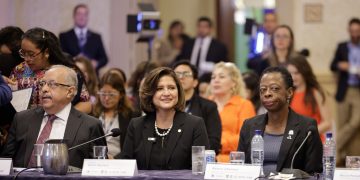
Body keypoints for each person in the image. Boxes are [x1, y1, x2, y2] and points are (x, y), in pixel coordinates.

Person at [1, 65, 106, 168]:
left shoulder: (90, 126)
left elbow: (99, 169)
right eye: (42, 84)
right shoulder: (21, 119)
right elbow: (4, 165)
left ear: (70, 91)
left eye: (52, 84)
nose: (44, 89)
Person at [119, 67, 209, 170]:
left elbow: (200, 170)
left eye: (171, 88)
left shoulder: (195, 125)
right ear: (150, 93)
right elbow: (125, 169)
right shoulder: (136, 125)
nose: (166, 93)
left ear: (178, 92)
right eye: (159, 89)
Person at [238, 66, 323, 175]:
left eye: (274, 88)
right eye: (262, 90)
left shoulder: (306, 128)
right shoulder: (249, 125)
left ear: (289, 92)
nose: (267, 93)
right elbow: (240, 168)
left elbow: (315, 173)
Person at [9, 27, 91, 113]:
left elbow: (86, 104)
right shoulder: (19, 70)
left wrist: (62, 116)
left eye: (31, 54)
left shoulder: (66, 71)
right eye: (23, 53)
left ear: (46, 52)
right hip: (25, 123)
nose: (26, 59)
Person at [210, 62, 256, 162]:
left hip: (233, 160)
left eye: (221, 77)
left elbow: (246, 137)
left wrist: (218, 145)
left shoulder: (244, 105)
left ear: (234, 83)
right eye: (213, 77)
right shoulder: (205, 105)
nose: (216, 80)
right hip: (206, 158)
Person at [172, 60, 221, 154]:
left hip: (199, 159)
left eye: (186, 74)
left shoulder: (208, 107)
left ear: (195, 82)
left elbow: (214, 141)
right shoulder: (167, 106)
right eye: (177, 74)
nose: (181, 77)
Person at [330, 18, 360, 166]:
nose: (355, 34)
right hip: (345, 89)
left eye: (357, 31)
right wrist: (340, 65)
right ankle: (346, 160)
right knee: (343, 124)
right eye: (352, 31)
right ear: (349, 31)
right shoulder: (342, 47)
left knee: (355, 122)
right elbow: (333, 65)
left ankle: (333, 146)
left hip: (358, 91)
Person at [287, 56, 332, 141]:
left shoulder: (316, 92)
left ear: (304, 72)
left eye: (296, 73)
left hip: (313, 142)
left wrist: (306, 135)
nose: (293, 77)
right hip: (293, 142)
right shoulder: (288, 93)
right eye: (290, 73)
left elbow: (327, 123)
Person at [93, 71, 135, 158]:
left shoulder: (131, 116)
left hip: (120, 164)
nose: (107, 98)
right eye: (103, 94)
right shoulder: (92, 114)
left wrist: (115, 159)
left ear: (121, 94)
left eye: (111, 94)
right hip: (96, 162)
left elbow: (133, 147)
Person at [59, 3, 108, 74]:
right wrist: (74, 60)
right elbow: (60, 57)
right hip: (71, 75)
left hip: (92, 78)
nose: (82, 17)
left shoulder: (96, 37)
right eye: (79, 14)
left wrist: (96, 63)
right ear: (74, 16)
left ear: (88, 17)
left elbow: (104, 59)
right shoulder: (64, 36)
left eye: (85, 14)